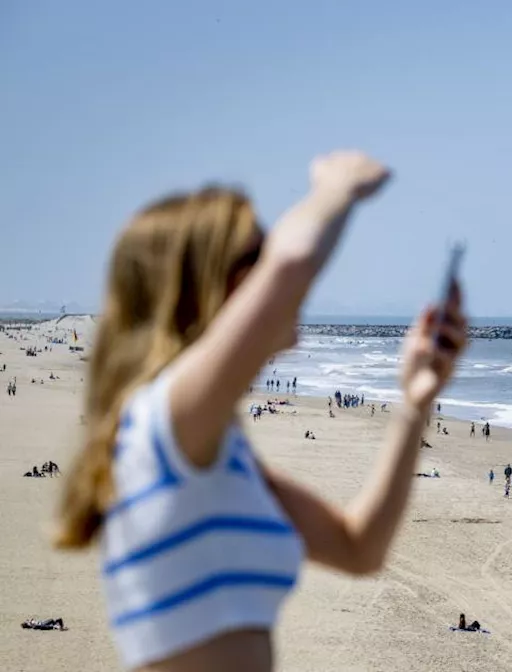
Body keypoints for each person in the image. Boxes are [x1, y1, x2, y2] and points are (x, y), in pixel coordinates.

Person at [55, 153, 470, 671]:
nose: (276, 265)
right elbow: (293, 264)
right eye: (259, 253)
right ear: (211, 285)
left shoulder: (218, 457)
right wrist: (337, 187)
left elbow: (359, 547)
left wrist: (414, 400)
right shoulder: (162, 425)